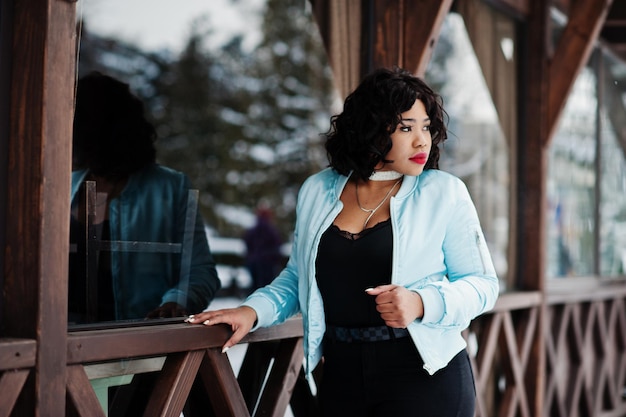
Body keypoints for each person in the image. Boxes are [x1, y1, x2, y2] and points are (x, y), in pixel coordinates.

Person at [187, 67, 499, 416]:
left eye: (425, 127)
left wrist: (422, 303)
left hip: (425, 374)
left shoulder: (444, 193)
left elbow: (483, 285)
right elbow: (298, 277)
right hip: (341, 375)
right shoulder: (318, 190)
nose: (421, 141)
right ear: (371, 129)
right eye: (406, 128)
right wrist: (251, 311)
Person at [69, 71, 221, 416]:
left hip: (139, 357)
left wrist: (176, 302)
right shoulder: (61, 187)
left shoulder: (169, 187)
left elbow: (201, 271)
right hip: (65, 353)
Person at [243, 205, 284, 293]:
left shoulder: (252, 231)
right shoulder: (272, 231)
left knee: (255, 286)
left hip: (254, 263)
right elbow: (277, 247)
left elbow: (247, 244)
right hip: (267, 264)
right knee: (266, 288)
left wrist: (251, 258)